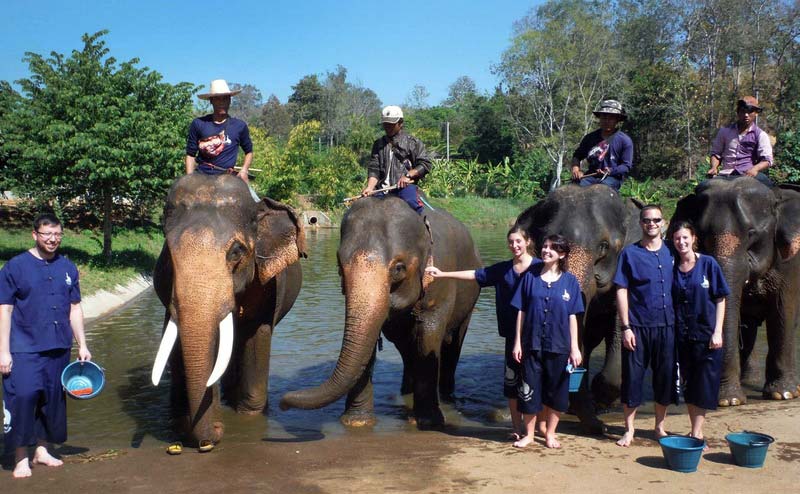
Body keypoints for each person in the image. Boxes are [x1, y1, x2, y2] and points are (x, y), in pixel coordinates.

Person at [425, 226, 539, 441]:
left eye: (518, 241)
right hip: (512, 337)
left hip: (537, 336)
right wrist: (443, 274)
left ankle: (538, 428)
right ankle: (517, 427)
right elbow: (476, 275)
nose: (514, 246)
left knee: (535, 384)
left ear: (528, 241)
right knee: (513, 385)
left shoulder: (540, 269)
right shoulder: (504, 270)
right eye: (511, 242)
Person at [0, 213, 92, 479]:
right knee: (23, 398)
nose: (52, 239)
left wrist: (82, 344)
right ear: (35, 235)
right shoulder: (15, 267)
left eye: (57, 234)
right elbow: (4, 310)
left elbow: (74, 308)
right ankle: (20, 457)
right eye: (46, 234)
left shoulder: (68, 267)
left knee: (51, 401)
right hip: (23, 347)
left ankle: (42, 450)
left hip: (58, 346)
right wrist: (3, 351)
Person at [510, 234, 583, 449]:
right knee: (529, 391)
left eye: (552, 248)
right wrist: (517, 342)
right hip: (531, 344)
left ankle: (550, 433)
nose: (546, 250)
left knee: (557, 393)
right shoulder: (529, 277)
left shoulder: (570, 281)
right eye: (544, 246)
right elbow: (521, 311)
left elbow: (572, 316)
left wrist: (575, 347)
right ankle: (530, 435)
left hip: (559, 346)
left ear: (562, 254)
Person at [613, 204, 674, 447]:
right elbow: (621, 289)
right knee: (632, 379)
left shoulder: (672, 250)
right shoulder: (629, 254)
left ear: (663, 223)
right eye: (647, 220)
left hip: (668, 326)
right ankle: (629, 429)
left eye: (656, 220)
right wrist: (625, 326)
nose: (652, 224)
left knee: (665, 378)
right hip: (637, 327)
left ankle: (660, 427)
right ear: (640, 223)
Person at [670, 220, 730, 446]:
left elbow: (720, 298)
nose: (681, 242)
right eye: (677, 238)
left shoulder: (708, 264)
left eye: (685, 237)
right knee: (689, 383)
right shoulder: (672, 267)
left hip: (706, 336)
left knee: (704, 385)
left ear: (693, 238)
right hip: (682, 336)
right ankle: (693, 429)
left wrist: (718, 332)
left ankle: (697, 432)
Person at [185, 79, 258, 200]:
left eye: (225, 98)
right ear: (211, 101)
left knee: (256, 204)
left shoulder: (239, 126)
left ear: (230, 100)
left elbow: (249, 152)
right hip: (202, 177)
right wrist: (189, 179)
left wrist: (244, 170)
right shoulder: (198, 124)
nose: (222, 102)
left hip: (228, 179)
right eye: (218, 99)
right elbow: (190, 155)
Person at [362, 105, 432, 214]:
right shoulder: (378, 144)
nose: (387, 127)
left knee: (412, 204)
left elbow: (425, 164)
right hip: (381, 189)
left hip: (404, 188)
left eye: (391, 124)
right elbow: (374, 169)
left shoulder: (412, 142)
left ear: (400, 123)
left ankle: (425, 226)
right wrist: (370, 187)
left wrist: (408, 176)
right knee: (363, 209)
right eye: (385, 124)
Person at [708, 96, 773, 187]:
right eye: (743, 111)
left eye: (750, 111)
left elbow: (767, 160)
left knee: (771, 189)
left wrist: (755, 169)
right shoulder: (724, 131)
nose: (746, 115)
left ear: (756, 113)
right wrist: (714, 167)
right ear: (738, 112)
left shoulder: (761, 135)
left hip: (748, 174)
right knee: (702, 189)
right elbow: (716, 154)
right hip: (725, 174)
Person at [570, 99, 634, 191]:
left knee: (601, 191)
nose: (607, 120)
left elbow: (626, 166)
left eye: (611, 117)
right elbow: (577, 156)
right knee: (572, 190)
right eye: (604, 117)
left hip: (612, 178)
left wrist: (610, 171)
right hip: (590, 177)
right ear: (599, 118)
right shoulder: (589, 138)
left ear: (617, 120)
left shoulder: (625, 140)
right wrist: (576, 169)